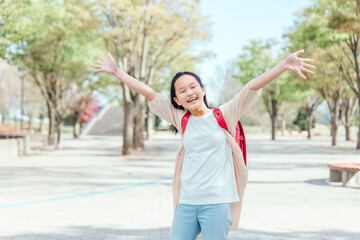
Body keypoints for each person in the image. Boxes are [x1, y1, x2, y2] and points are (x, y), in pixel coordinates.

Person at [91, 50, 316, 240]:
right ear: (177, 100)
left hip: (217, 204)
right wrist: (118, 72)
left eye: (193, 86)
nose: (189, 92)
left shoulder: (224, 115)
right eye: (181, 90)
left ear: (203, 89)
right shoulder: (182, 119)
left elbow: (250, 87)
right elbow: (149, 93)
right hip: (187, 204)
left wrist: (283, 65)